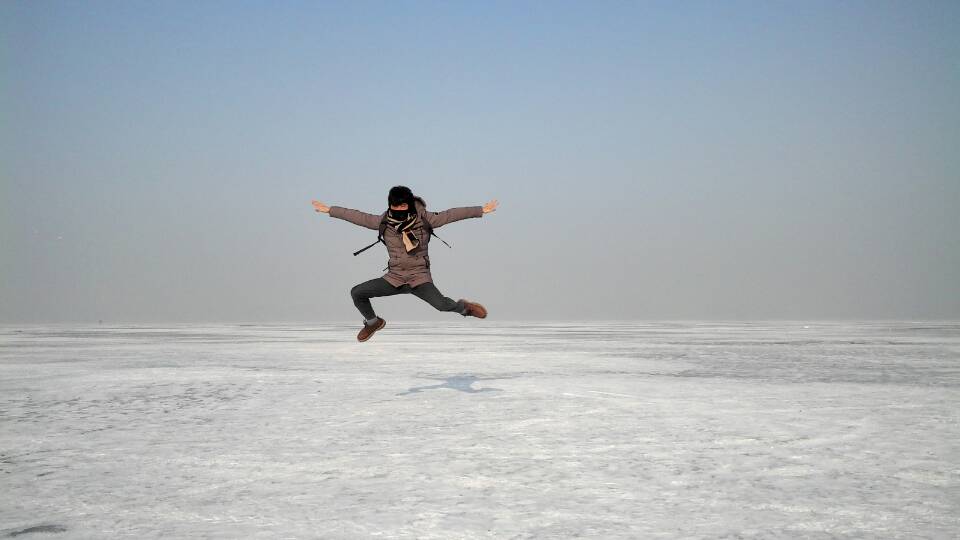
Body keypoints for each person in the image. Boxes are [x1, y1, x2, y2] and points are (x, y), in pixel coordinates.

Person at [311, 186, 499, 342]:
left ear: (409, 205)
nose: (399, 211)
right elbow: (357, 216)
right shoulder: (383, 222)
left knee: (442, 305)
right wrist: (330, 210)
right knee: (357, 292)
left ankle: (465, 308)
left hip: (419, 278)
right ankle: (373, 323)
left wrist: (481, 210)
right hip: (394, 278)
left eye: (402, 207)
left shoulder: (425, 219)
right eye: (395, 207)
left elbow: (452, 214)